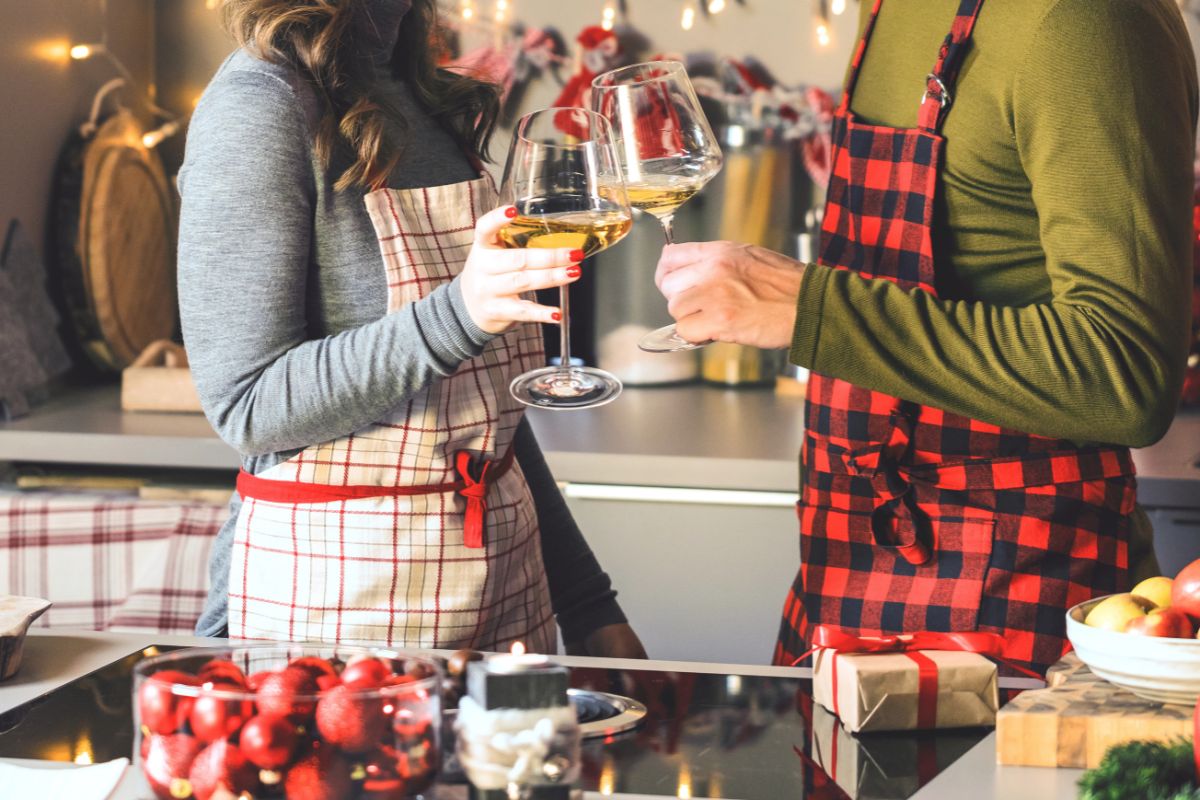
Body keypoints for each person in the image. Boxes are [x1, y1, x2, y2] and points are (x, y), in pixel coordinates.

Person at [656, 0, 1197, 673]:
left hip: (1012, 604)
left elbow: (1124, 376)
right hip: (841, 574)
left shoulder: (1088, 22)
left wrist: (815, 311)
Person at [177, 0, 645, 657]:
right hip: (340, 609)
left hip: (505, 589)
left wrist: (588, 606)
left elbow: (484, 422)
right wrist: (459, 313)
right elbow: (246, 404)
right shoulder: (260, 103)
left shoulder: (415, 88)